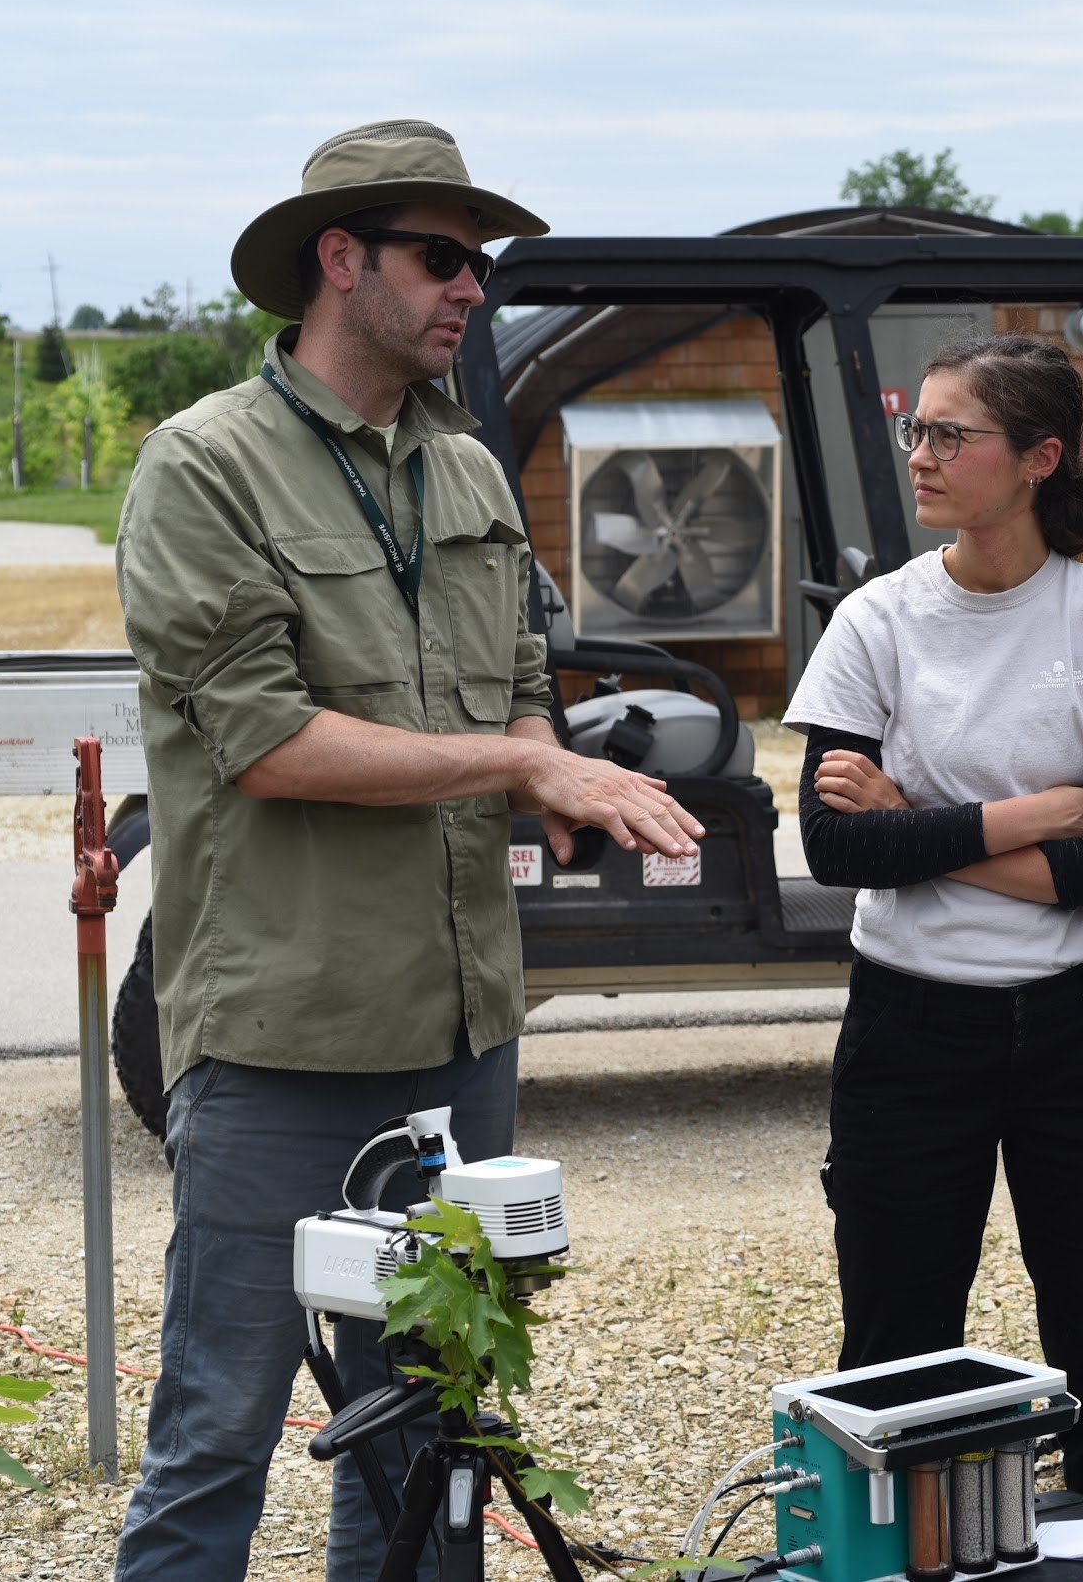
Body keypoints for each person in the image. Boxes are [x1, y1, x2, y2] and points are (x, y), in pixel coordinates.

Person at [113, 119, 702, 1581]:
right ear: (340, 261)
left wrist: (554, 777)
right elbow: (265, 744)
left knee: (429, 1436)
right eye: (443, 258)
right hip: (281, 1038)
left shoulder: (473, 478)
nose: (473, 293)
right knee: (217, 1434)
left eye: (480, 264)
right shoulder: (205, 469)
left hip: (459, 1034)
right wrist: (515, 757)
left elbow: (516, 687)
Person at [781, 333, 1083, 1523]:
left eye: (949, 434)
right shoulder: (877, 621)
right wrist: (1021, 817)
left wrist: (925, 821)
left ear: (1036, 459)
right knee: (898, 1355)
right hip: (910, 1035)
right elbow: (837, 847)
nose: (920, 453)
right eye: (918, 428)